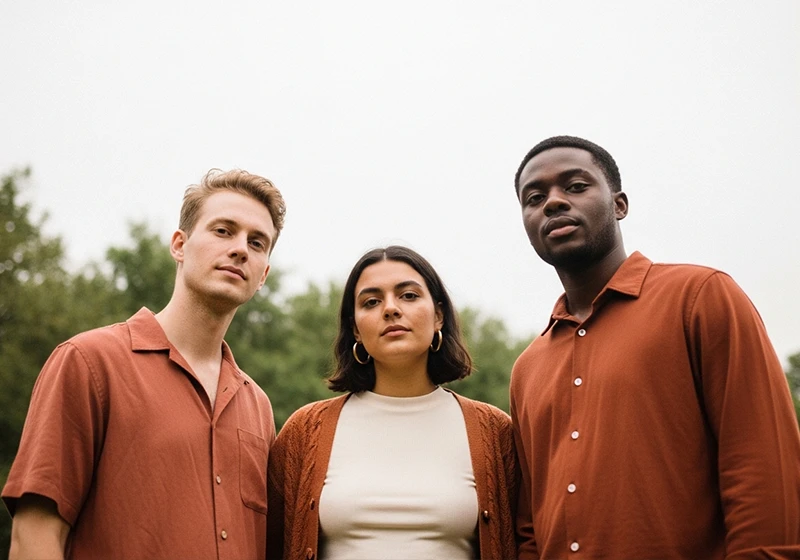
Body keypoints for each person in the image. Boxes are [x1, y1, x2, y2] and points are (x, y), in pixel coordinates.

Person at [510, 135, 800, 559]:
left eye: (575, 186)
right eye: (534, 198)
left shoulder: (700, 297)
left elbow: (764, 468)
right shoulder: (528, 367)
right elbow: (530, 527)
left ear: (619, 204)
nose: (552, 203)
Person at [2, 169, 286, 560]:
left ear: (263, 276)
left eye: (257, 242)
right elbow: (34, 536)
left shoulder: (259, 407)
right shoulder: (88, 362)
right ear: (179, 245)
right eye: (223, 231)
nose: (241, 249)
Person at [266, 245, 517, 560]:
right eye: (371, 302)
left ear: (439, 315)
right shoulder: (304, 433)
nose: (390, 309)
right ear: (356, 328)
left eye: (408, 296)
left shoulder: (494, 432)